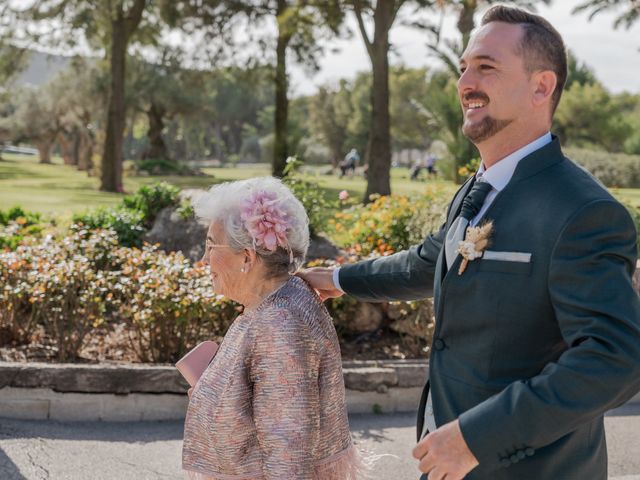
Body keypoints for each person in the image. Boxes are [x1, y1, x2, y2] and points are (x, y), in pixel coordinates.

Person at [299, 5, 640, 480]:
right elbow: (431, 260)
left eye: (486, 67)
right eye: (463, 68)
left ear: (542, 86)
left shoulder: (584, 212)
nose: (465, 83)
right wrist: (335, 278)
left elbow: (616, 357)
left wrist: (477, 437)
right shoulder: (477, 189)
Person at [182, 177, 366, 479]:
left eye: (211, 245)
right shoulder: (278, 301)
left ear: (247, 257)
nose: (204, 260)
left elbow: (289, 450)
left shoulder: (279, 323)